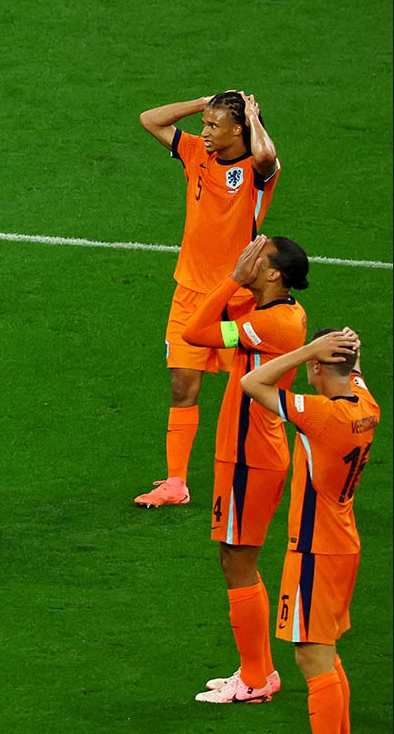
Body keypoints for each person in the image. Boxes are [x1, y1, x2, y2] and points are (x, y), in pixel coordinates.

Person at [134, 91, 279, 508]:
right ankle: (175, 483)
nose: (205, 131)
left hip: (238, 297)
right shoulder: (197, 151)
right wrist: (201, 103)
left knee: (250, 389)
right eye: (206, 123)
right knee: (182, 386)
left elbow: (268, 156)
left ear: (240, 130)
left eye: (215, 125)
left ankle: (256, 470)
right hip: (190, 294)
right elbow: (150, 118)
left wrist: (254, 118)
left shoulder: (256, 168)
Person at [182, 234, 309, 703]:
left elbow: (195, 330)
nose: (249, 257)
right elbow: (220, 315)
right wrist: (238, 279)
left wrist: (234, 278)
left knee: (238, 561)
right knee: (233, 559)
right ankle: (257, 670)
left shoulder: (273, 324)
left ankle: (256, 679)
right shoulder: (271, 312)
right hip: (245, 454)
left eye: (260, 255)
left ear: (274, 273)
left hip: (249, 458)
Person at [241, 327, 378, 733]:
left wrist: (306, 350)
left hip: (315, 551)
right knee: (326, 656)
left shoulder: (322, 415)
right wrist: (346, 347)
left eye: (312, 365)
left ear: (318, 366)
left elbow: (253, 382)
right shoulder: (365, 404)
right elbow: (353, 370)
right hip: (342, 544)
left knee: (312, 661)